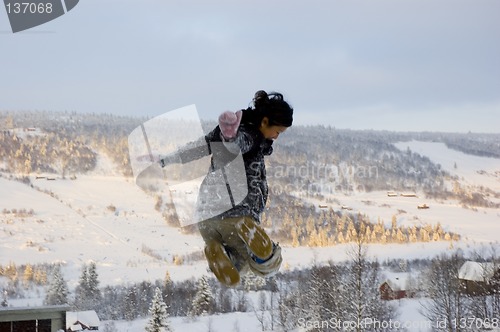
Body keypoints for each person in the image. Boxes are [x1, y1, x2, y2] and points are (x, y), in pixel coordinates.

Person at [154, 90, 294, 286]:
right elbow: (239, 145)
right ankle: (262, 252)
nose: (276, 137)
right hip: (237, 216)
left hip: (206, 217)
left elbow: (200, 147)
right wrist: (230, 140)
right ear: (264, 122)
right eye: (278, 131)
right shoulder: (251, 136)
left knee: (236, 266)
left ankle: (220, 251)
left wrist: (165, 159)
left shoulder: (230, 134)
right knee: (266, 266)